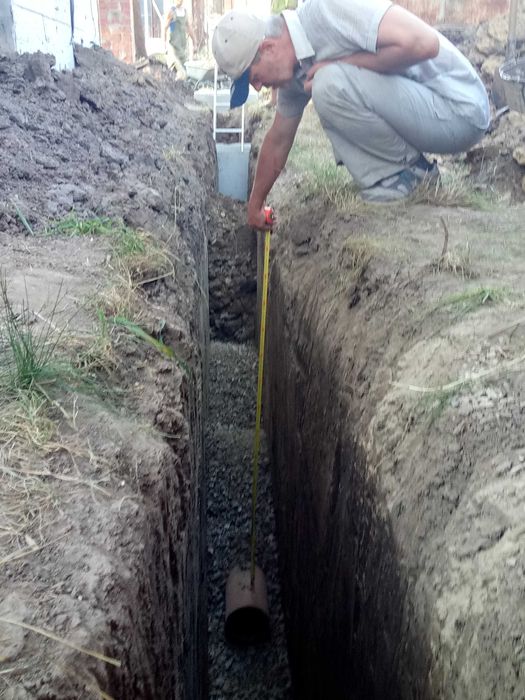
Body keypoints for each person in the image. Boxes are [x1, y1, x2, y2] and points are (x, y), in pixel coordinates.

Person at [211, 1, 490, 225]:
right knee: (326, 79)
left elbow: (424, 43)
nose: (258, 87)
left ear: (268, 48)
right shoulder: (296, 70)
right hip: (428, 114)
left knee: (327, 81)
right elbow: (279, 139)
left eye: (254, 78)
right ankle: (397, 175)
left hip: (459, 108)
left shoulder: (328, 10)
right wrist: (255, 206)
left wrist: (339, 64)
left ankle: (408, 176)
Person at [164, 0, 196, 80]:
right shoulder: (171, 12)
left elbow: (189, 28)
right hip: (173, 49)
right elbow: (165, 28)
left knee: (186, 73)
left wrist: (194, 41)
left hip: (182, 49)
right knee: (180, 73)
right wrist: (164, 45)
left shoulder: (184, 12)